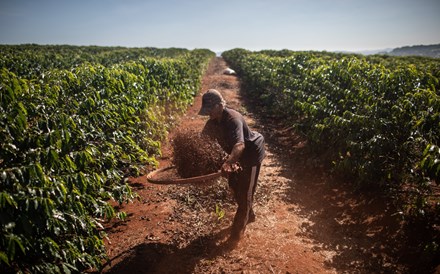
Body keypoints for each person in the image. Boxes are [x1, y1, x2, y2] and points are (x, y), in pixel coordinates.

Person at [198, 89, 265, 244]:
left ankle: (235, 237)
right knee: (234, 186)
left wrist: (228, 162)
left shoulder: (232, 119)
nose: (208, 114)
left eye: (210, 110)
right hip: (235, 157)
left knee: (246, 193)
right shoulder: (212, 122)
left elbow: (240, 145)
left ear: (219, 105)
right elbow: (202, 142)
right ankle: (250, 214)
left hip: (251, 155)